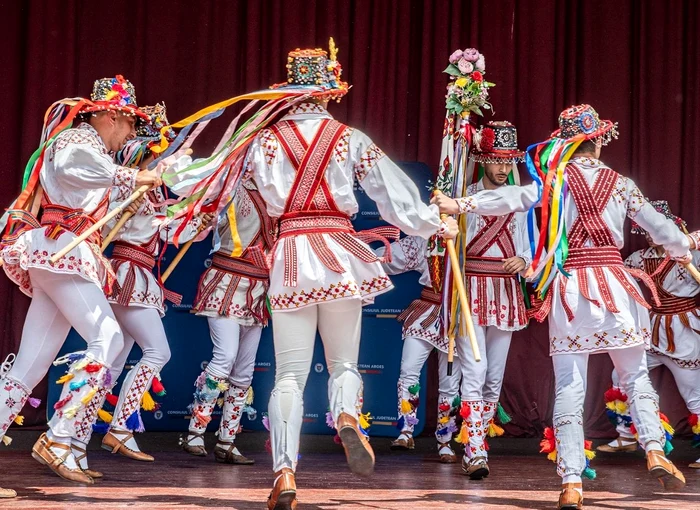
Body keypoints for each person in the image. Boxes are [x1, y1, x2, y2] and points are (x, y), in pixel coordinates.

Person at [433, 104, 690, 509]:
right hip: (615, 286)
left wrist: (460, 205)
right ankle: (654, 449)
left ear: (566, 146)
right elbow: (662, 232)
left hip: (571, 292)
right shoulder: (622, 184)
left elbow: (512, 198)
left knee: (570, 385)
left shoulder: (553, 182)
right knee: (635, 375)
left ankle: (571, 480)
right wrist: (684, 245)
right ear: (599, 143)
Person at [244, 41, 458, 510]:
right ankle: (344, 411)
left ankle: (284, 472)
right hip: (339, 252)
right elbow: (394, 198)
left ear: (288, 94)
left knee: (289, 376)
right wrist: (436, 223)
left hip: (292, 255)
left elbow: (238, 193)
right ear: (327, 93)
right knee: (343, 363)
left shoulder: (262, 140)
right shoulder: (349, 137)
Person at [0, 76, 160, 488]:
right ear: (112, 116)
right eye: (129, 125)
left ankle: (63, 440)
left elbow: (96, 182)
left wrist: (139, 184)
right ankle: (58, 437)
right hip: (62, 249)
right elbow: (76, 170)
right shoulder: (77, 141)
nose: (128, 135)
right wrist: (130, 178)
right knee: (107, 337)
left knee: (28, 366)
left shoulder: (91, 149)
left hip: (62, 252)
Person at [179, 171, 275, 465]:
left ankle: (227, 441)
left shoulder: (279, 191)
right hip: (226, 282)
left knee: (244, 370)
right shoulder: (229, 183)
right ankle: (195, 432)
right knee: (224, 357)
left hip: (258, 289)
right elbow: (194, 216)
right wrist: (202, 219)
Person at [454, 121, 531, 480]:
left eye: (508, 162)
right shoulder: (461, 196)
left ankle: (479, 442)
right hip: (470, 290)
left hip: (505, 291)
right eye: (497, 161)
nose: (502, 168)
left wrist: (525, 261)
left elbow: (533, 246)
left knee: (493, 377)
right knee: (475, 370)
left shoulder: (519, 201)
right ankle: (474, 451)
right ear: (483, 160)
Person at [598, 201, 700, 469]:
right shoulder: (637, 259)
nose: (651, 234)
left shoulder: (690, 253)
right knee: (619, 377)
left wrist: (688, 249)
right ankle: (626, 434)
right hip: (651, 330)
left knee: (693, 391)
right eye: (646, 230)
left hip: (683, 332)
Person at [378, 234, 461, 463]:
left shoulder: (471, 239)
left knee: (450, 383)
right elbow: (389, 257)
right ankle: (406, 431)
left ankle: (445, 441)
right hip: (427, 309)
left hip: (457, 316)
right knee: (409, 370)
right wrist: (356, 258)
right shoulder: (427, 237)